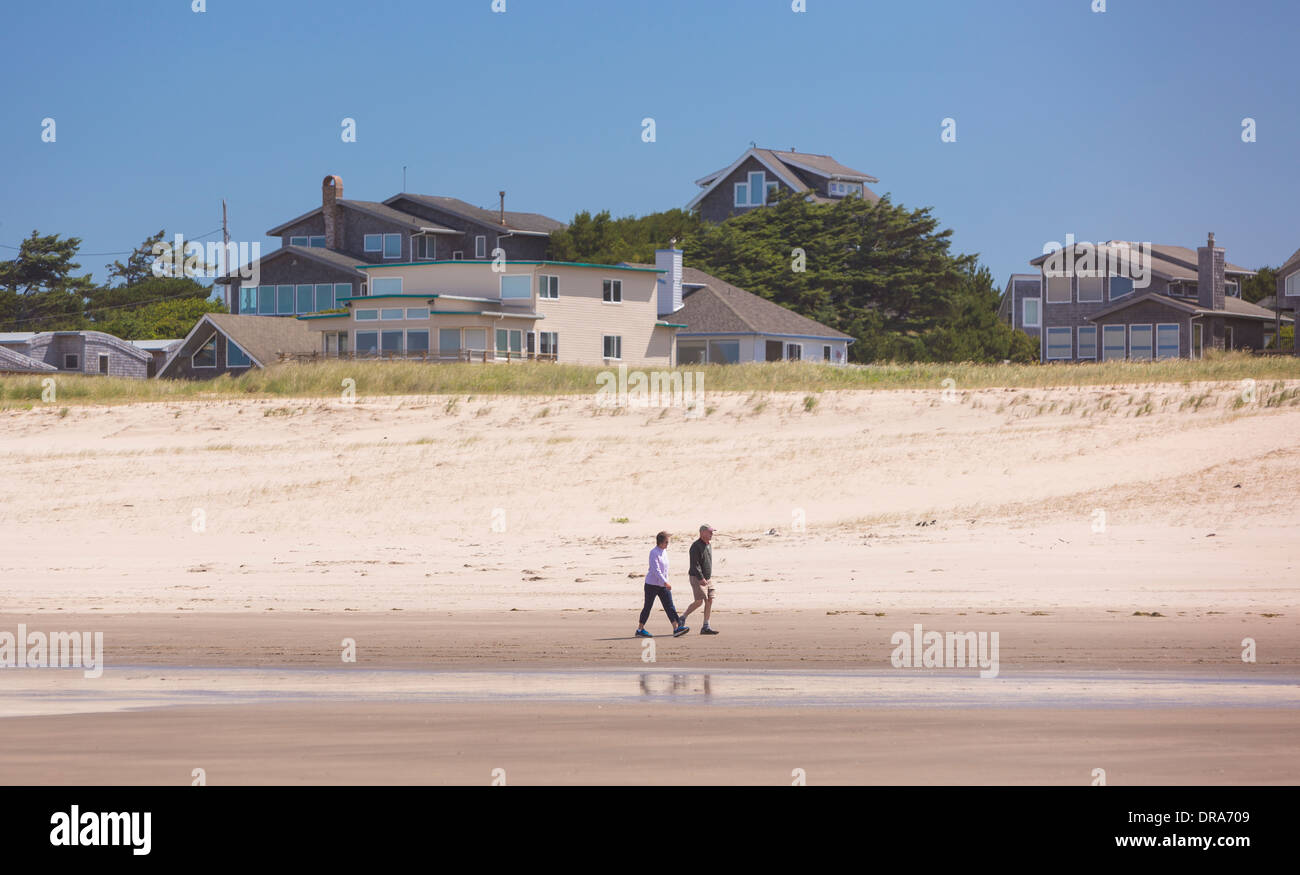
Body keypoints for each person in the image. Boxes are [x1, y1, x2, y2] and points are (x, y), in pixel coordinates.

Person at [637, 531, 689, 638]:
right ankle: (640, 629)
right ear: (660, 542)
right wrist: (665, 582)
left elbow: (665, 569)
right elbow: (656, 570)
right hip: (651, 585)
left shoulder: (664, 552)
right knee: (647, 607)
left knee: (669, 606)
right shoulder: (653, 552)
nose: (668, 544)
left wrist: (665, 582)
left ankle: (676, 628)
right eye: (666, 542)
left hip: (663, 585)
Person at [681, 524, 719, 635]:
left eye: (712, 532)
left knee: (710, 599)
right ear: (702, 533)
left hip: (707, 578)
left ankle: (706, 626)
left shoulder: (708, 545)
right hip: (697, 577)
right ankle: (683, 617)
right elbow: (694, 565)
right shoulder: (695, 546)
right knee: (699, 602)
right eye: (710, 532)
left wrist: (707, 577)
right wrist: (701, 578)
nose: (712, 534)